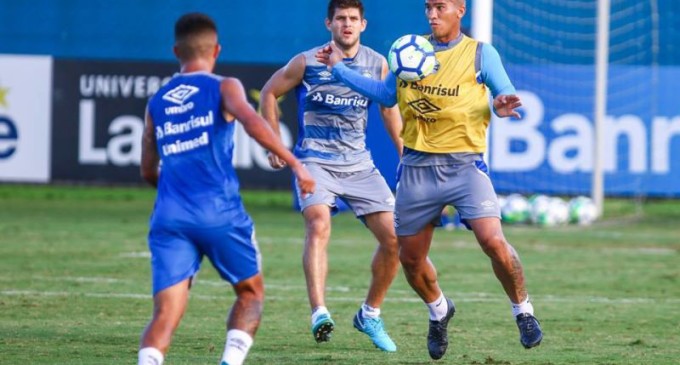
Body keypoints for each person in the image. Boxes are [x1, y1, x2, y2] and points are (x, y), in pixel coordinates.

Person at [315, 0, 543, 360]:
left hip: (465, 167)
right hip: (417, 168)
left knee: (493, 240)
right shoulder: (409, 50)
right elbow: (386, 95)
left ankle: (524, 312)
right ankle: (439, 311)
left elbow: (503, 93)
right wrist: (340, 70)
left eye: (440, 7)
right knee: (410, 259)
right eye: (428, 8)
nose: (432, 15)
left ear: (460, 10)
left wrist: (500, 104)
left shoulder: (480, 54)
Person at [138, 13, 315, 365]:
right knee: (250, 293)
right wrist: (295, 163)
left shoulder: (156, 102)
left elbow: (147, 170)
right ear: (216, 49)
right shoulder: (224, 86)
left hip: (169, 217)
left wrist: (175, 192)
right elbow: (252, 122)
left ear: (176, 50)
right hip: (218, 212)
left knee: (165, 315)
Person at [259, 0, 403, 352]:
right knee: (319, 223)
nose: (347, 24)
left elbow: (388, 109)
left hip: (360, 166)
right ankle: (319, 311)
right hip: (315, 162)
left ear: (363, 25)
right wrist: (275, 144)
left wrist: (404, 155)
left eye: (353, 19)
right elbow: (268, 93)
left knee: (397, 241)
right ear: (329, 24)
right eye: (341, 18)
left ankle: (369, 314)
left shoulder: (376, 63)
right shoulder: (307, 61)